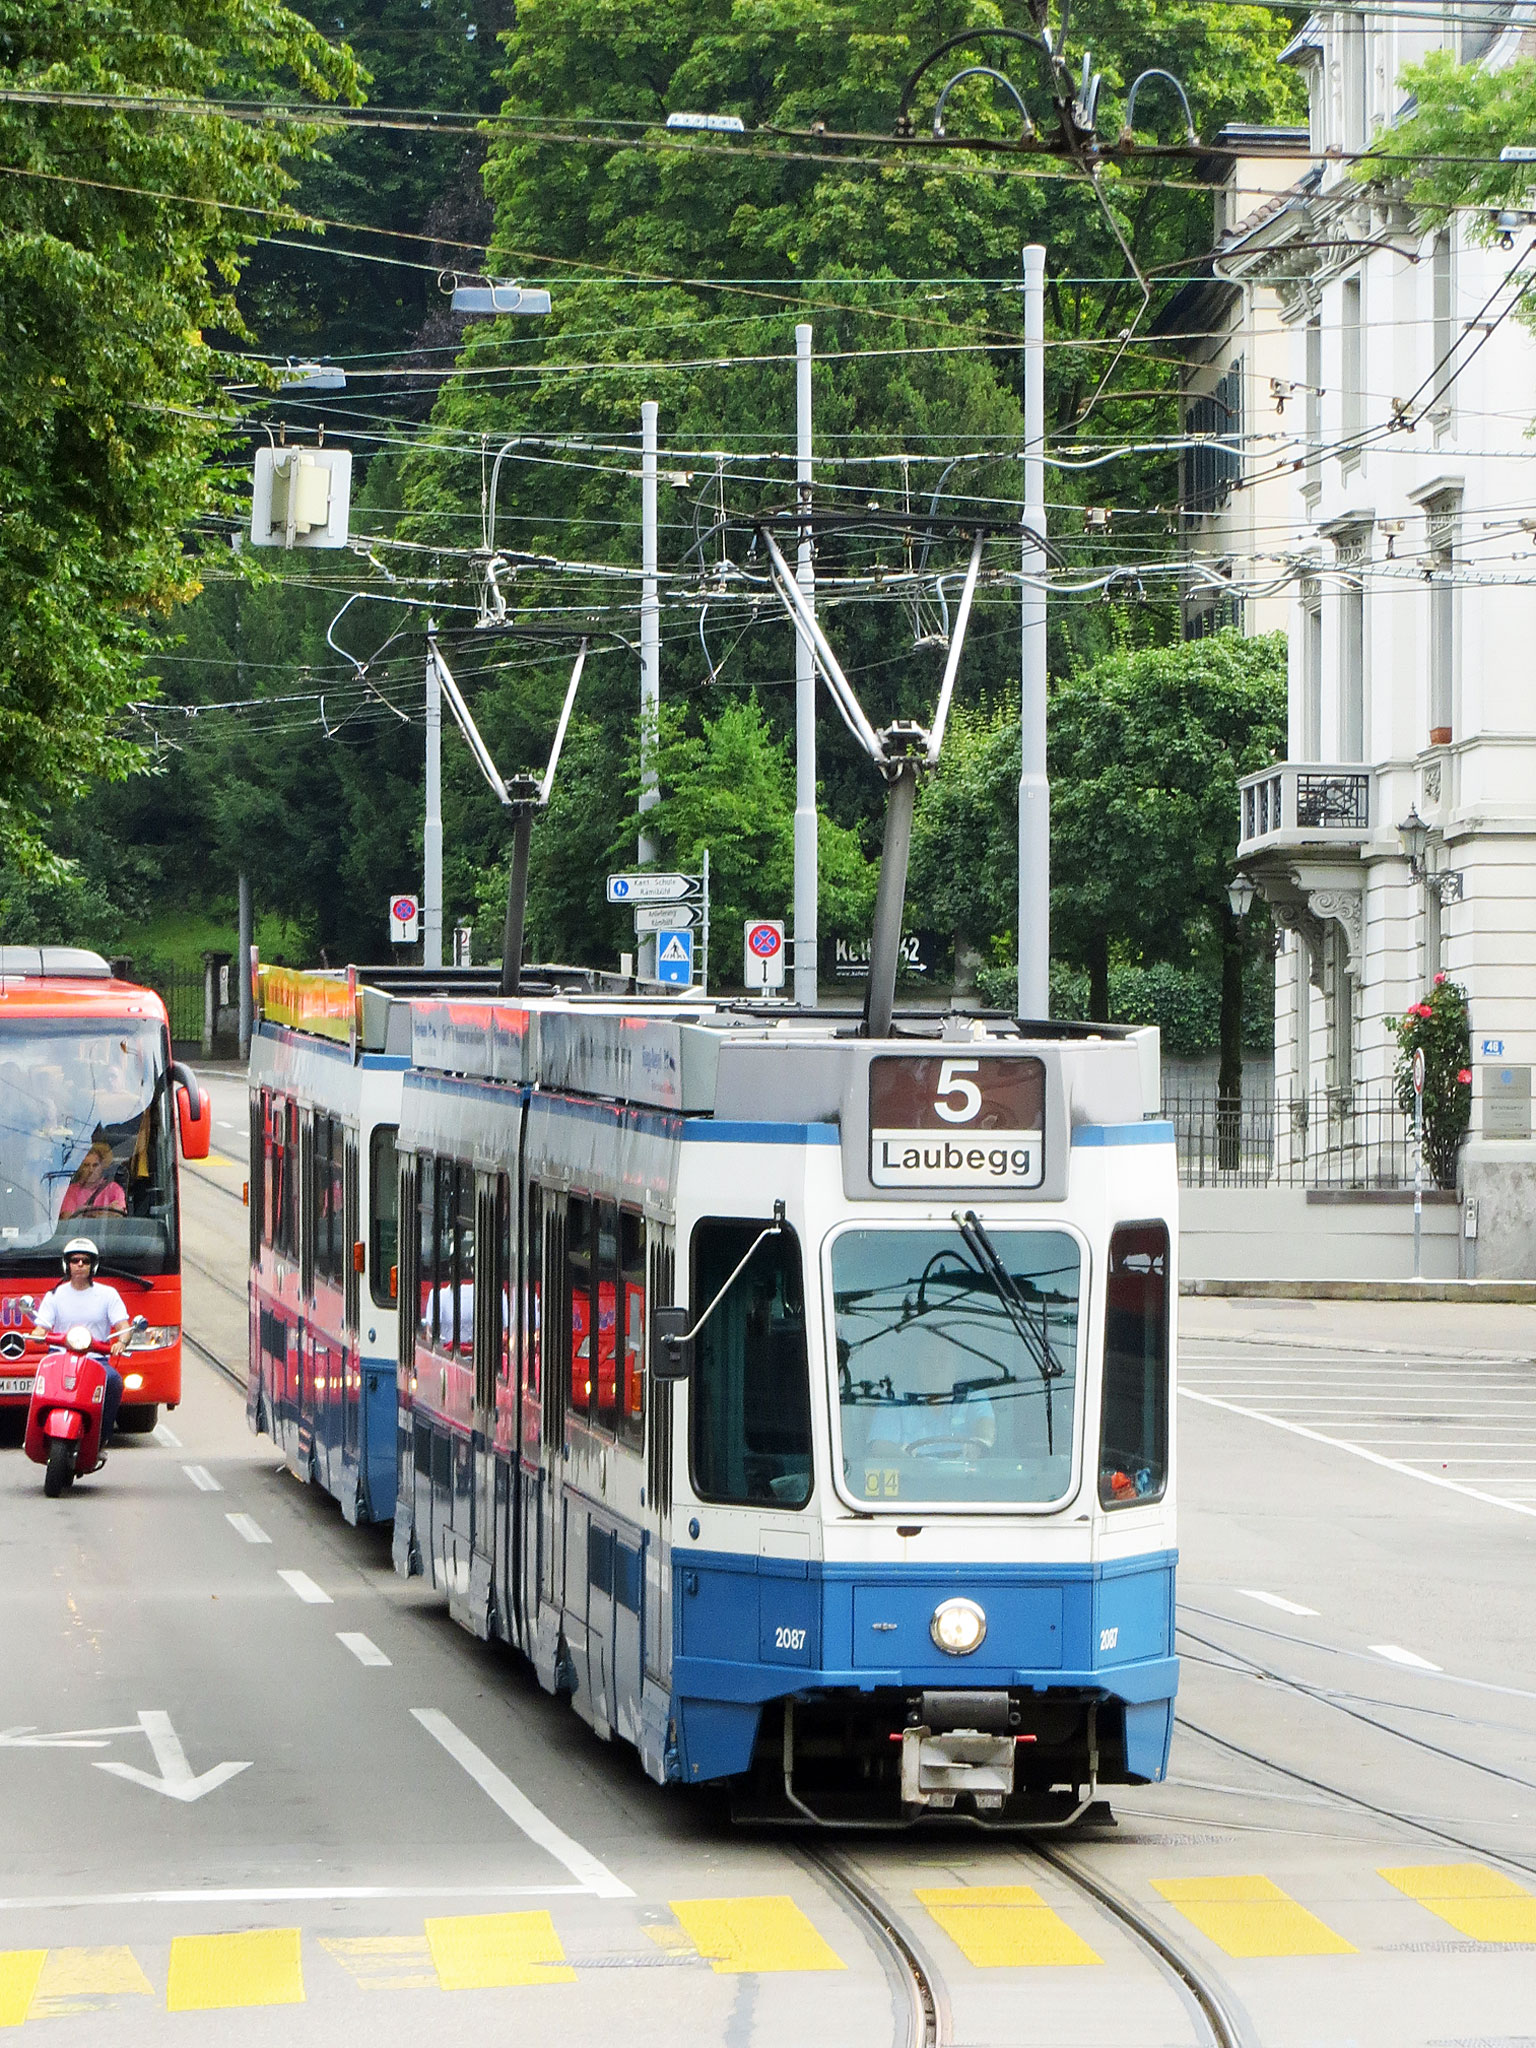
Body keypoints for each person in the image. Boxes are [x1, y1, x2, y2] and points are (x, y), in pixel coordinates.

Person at [34, 1239, 130, 1450]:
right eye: (74, 1260)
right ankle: (36, 1434)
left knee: (113, 1381)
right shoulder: (55, 1295)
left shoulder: (107, 1294)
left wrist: (121, 1342)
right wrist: (37, 1334)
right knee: (38, 1383)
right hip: (59, 1357)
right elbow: (41, 1326)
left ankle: (102, 1438)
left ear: (92, 1266)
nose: (79, 1265)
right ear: (66, 1264)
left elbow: (123, 1325)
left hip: (95, 1359)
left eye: (85, 1261)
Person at [59, 1141, 127, 1219]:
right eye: (86, 1165)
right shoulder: (71, 1190)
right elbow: (67, 1218)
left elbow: (118, 1216)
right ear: (80, 1167)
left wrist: (84, 1213)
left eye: (95, 1165)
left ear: (103, 1166)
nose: (91, 1170)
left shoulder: (114, 1188)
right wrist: (105, 1212)